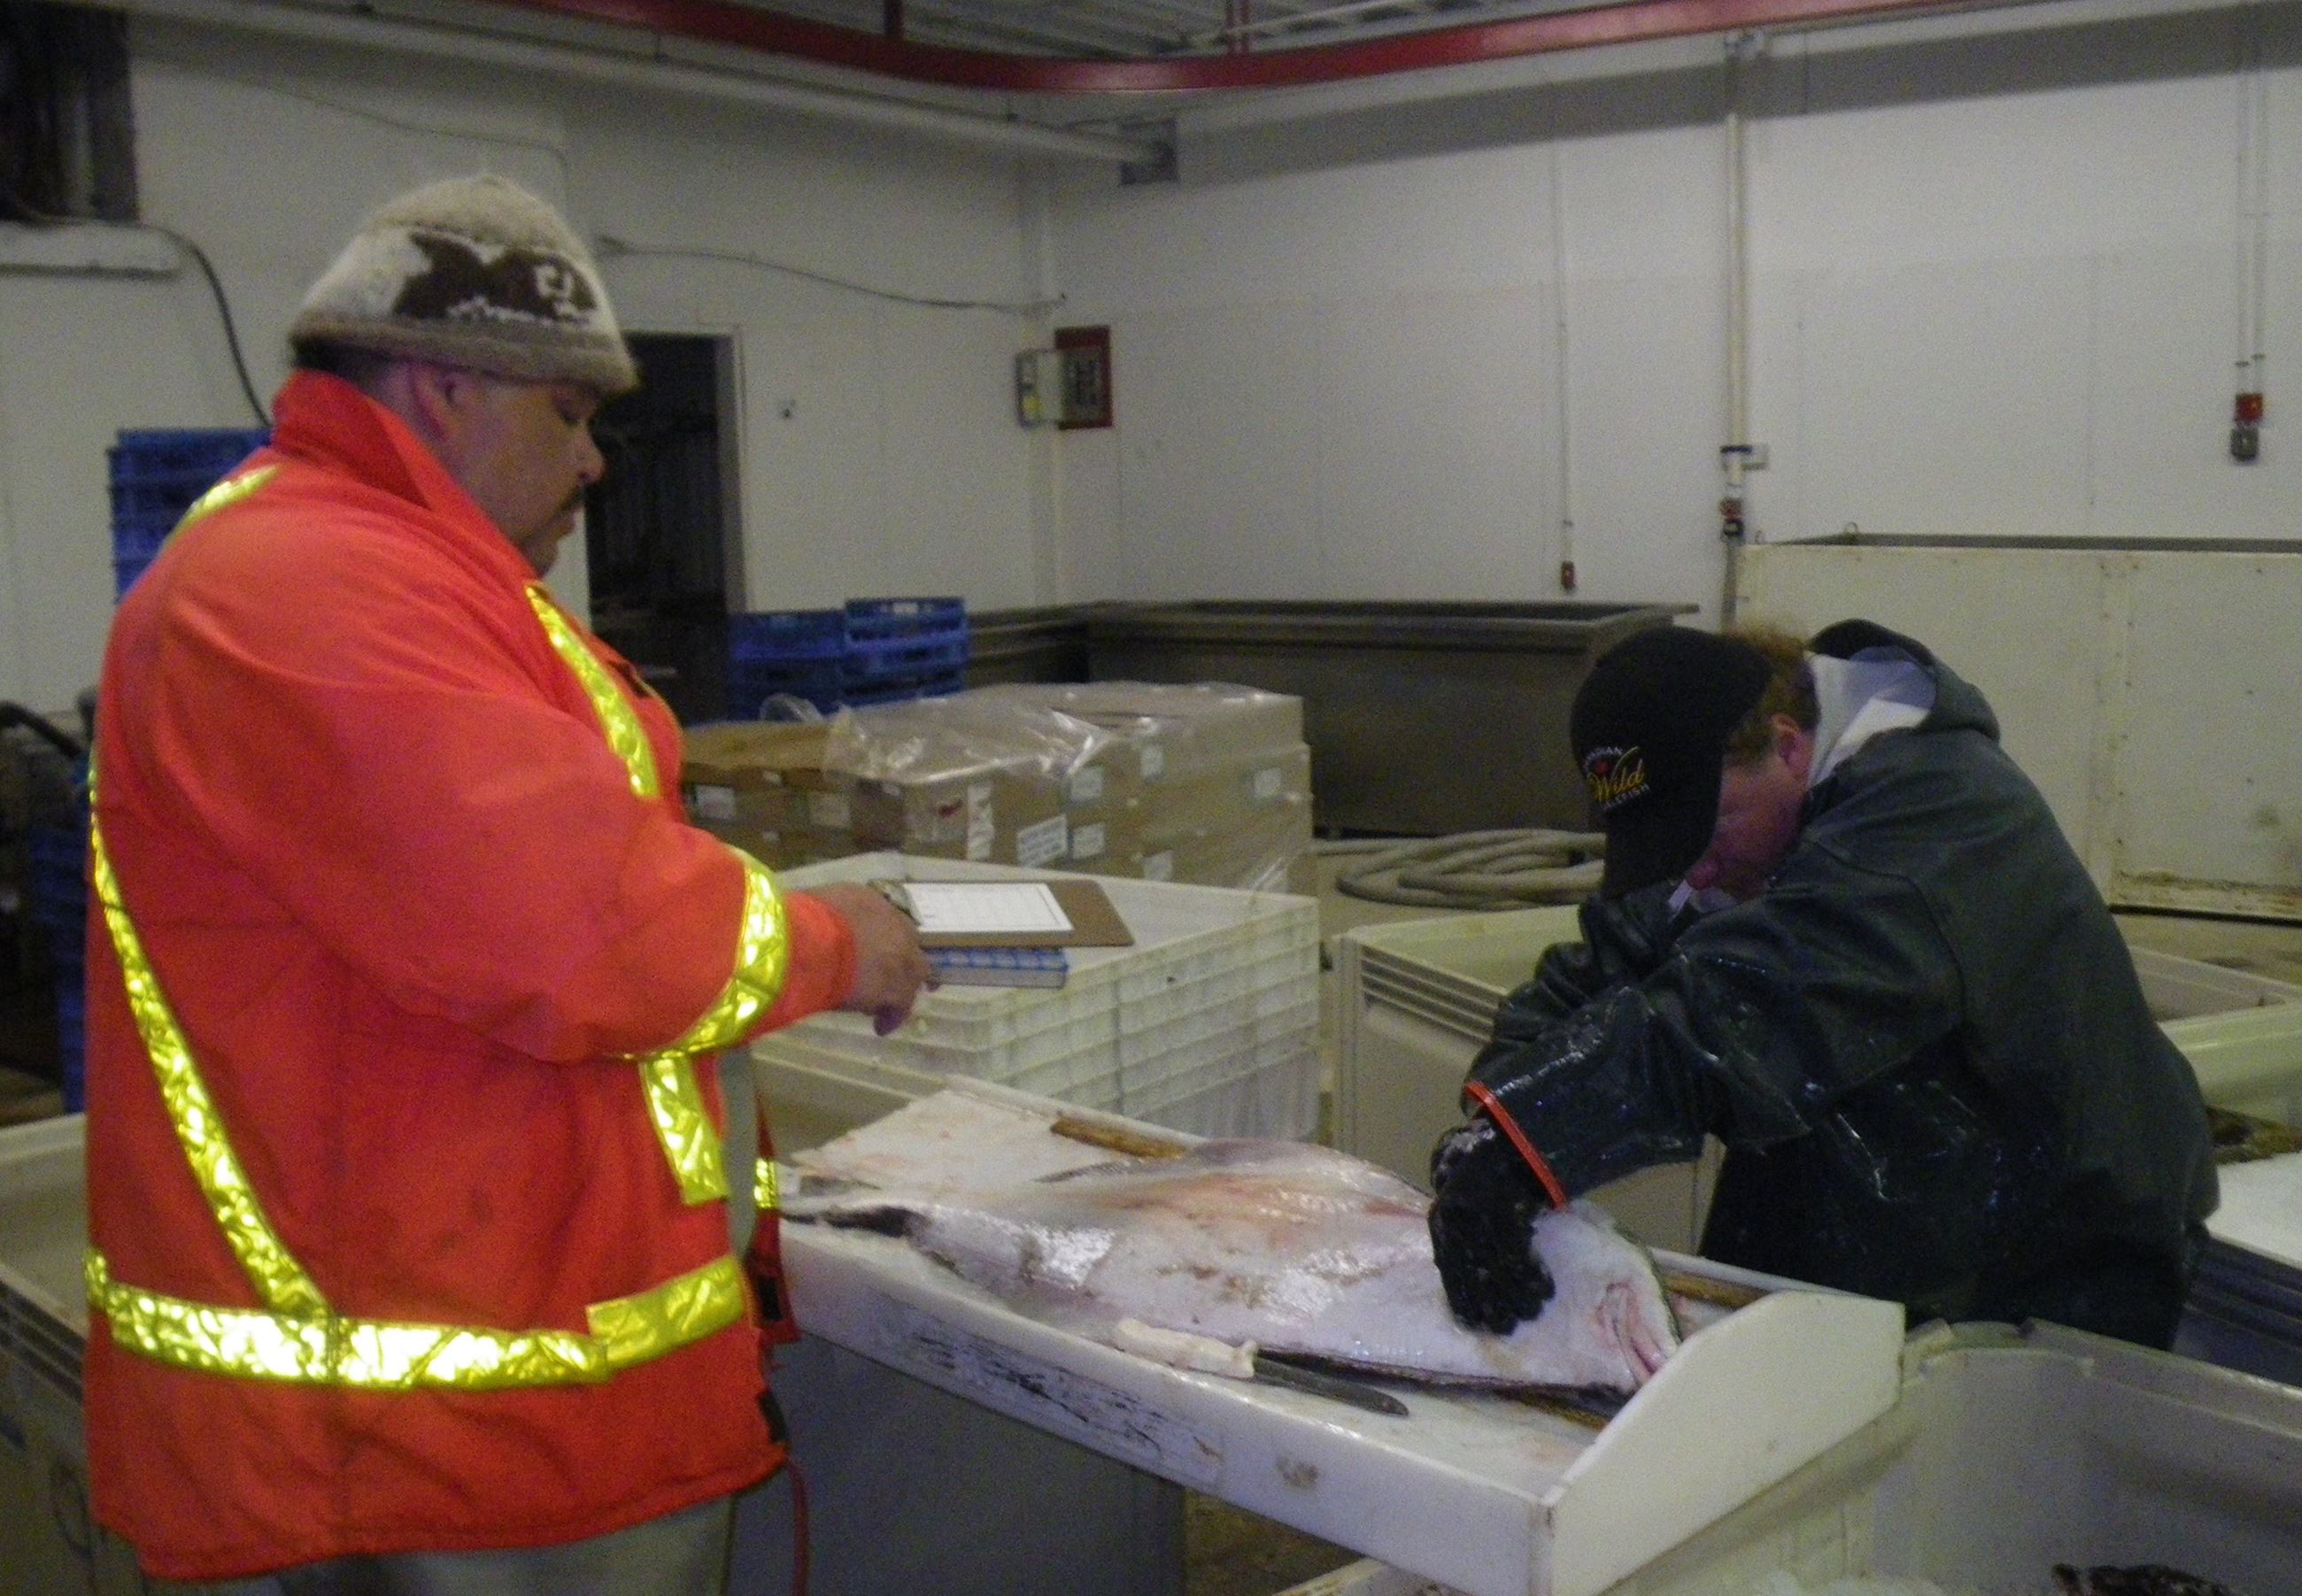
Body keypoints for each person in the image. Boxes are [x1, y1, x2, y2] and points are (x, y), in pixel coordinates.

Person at [81, 173, 932, 1592]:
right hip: (426, 1452)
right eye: (569, 413)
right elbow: (573, 923)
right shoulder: (305, 583)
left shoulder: (405, 570)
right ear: (439, 391)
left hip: (496, 1394)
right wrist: (849, 947)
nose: (596, 463)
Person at [1426, 621, 2217, 1350]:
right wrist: (1500, 1117)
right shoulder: (1744, 817)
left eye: (1711, 832)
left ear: (1789, 746)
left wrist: (1523, 1147)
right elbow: (1610, 962)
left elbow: (1748, 1007)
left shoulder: (1935, 816)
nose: (1696, 871)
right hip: (1878, 1195)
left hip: (2048, 1247)